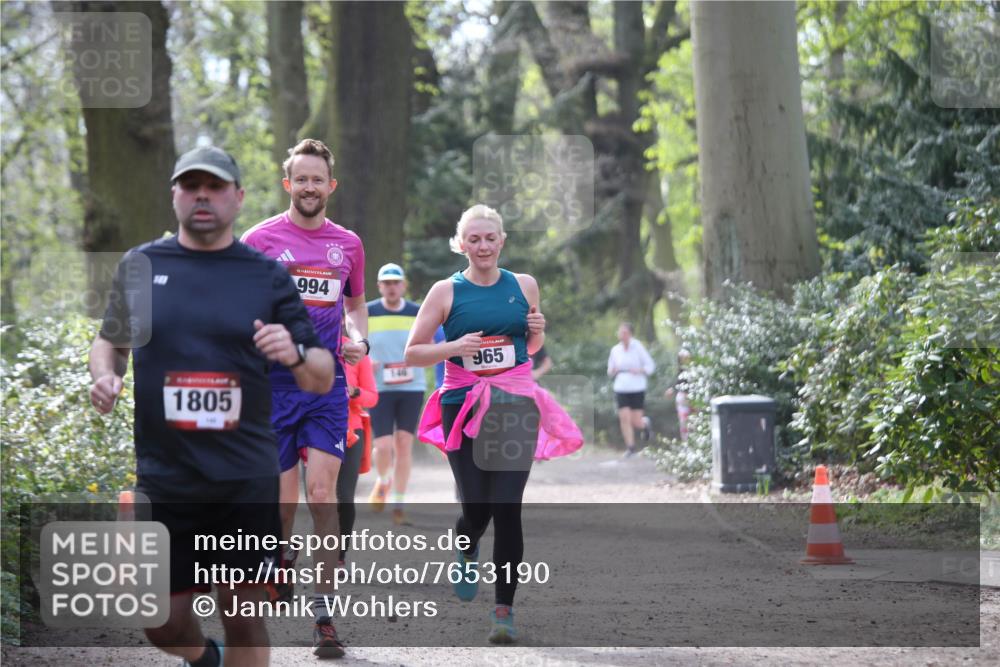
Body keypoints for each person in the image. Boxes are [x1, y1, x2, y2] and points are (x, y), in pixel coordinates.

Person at [88, 146, 334, 667]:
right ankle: (205, 660)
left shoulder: (265, 276)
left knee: (243, 611)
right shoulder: (142, 265)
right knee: (161, 621)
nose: (203, 195)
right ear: (174, 195)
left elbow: (322, 374)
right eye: (190, 185)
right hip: (165, 474)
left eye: (216, 186)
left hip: (243, 474)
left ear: (238, 198)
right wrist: (106, 375)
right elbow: (109, 339)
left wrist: (293, 354)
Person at [404, 205, 583, 644]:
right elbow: (413, 352)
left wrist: (538, 329)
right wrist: (454, 347)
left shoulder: (523, 285)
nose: (482, 246)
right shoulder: (446, 292)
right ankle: (466, 544)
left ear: (502, 241)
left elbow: (529, 345)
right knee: (476, 509)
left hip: (514, 405)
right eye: (473, 239)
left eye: (489, 238)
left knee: (508, 509)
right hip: (462, 406)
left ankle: (503, 611)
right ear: (460, 243)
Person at [241, 138, 367, 658]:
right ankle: (278, 561)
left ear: (330, 186)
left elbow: (356, 306)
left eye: (319, 179)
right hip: (272, 388)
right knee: (282, 505)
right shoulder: (259, 239)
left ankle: (325, 619)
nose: (310, 187)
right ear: (286, 182)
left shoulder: (349, 245)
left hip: (327, 387)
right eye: (302, 178)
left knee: (323, 495)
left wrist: (359, 338)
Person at [366, 262, 430, 525]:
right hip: (379, 386)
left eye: (396, 282)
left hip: (411, 386)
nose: (392, 288)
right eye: (386, 283)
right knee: (382, 446)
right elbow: (354, 343)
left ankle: (399, 504)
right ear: (380, 286)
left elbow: (430, 344)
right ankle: (383, 480)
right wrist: (365, 361)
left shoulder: (418, 312)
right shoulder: (367, 311)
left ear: (403, 285)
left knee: (403, 444)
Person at [338, 324, 378, 562]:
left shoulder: (355, 352)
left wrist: (354, 392)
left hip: (351, 429)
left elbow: (372, 397)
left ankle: (339, 557)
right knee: (318, 496)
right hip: (313, 428)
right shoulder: (305, 346)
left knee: (344, 496)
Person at [607, 322, 655, 457]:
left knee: (636, 421)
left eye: (625, 333)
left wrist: (639, 370)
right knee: (624, 418)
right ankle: (631, 447)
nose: (622, 336)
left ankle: (645, 424)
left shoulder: (638, 347)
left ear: (630, 334)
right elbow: (610, 370)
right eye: (620, 333)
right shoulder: (615, 350)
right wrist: (613, 370)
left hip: (637, 387)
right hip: (621, 387)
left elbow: (650, 366)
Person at [664, 348, 692, 441]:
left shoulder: (694, 371)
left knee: (692, 423)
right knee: (684, 423)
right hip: (683, 400)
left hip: (692, 399)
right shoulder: (681, 371)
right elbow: (679, 383)